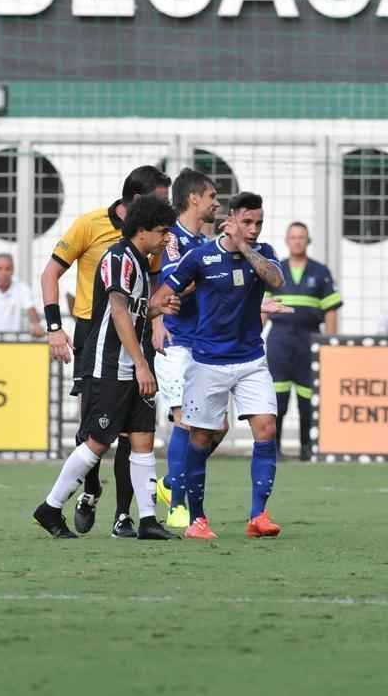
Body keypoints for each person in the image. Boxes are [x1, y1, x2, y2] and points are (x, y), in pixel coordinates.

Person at [33, 195, 181, 540]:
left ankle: (147, 520)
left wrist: (155, 308)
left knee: (143, 438)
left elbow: (130, 311)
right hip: (113, 365)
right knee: (99, 441)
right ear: (142, 230)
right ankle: (51, 507)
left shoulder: (140, 260)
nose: (165, 239)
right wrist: (142, 364)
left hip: (132, 364)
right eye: (162, 232)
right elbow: (117, 312)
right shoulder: (118, 258)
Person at [152, 191, 294, 541]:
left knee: (266, 430)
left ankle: (258, 515)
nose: (254, 229)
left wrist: (245, 247)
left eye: (258, 223)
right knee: (201, 437)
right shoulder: (201, 257)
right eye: (247, 222)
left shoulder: (265, 255)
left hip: (250, 360)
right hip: (207, 362)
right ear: (231, 220)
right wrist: (159, 312)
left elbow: (276, 281)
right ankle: (197, 519)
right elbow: (164, 292)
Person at [150, 169, 221, 529]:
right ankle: (178, 505)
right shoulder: (171, 239)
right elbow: (172, 285)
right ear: (194, 198)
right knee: (185, 420)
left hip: (205, 345)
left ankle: (169, 483)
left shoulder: (208, 244)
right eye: (212, 197)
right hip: (175, 342)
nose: (217, 203)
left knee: (217, 427)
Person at [264, 222, 341, 460]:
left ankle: (307, 448)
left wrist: (328, 344)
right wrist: (252, 338)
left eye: (302, 237)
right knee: (278, 399)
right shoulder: (276, 271)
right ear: (287, 241)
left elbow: (330, 311)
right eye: (293, 237)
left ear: (307, 241)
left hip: (309, 342)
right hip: (280, 341)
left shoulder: (320, 272)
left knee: (309, 400)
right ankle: (274, 448)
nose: (297, 241)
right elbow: (264, 309)